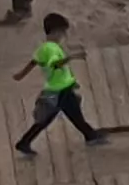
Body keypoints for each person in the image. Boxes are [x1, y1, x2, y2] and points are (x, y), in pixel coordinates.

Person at [12, 12, 105, 156]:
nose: (63, 36)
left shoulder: (42, 48)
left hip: (56, 89)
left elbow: (33, 63)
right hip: (60, 90)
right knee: (70, 116)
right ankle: (90, 135)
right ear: (56, 31)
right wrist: (73, 57)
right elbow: (54, 64)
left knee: (51, 118)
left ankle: (90, 134)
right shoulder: (52, 49)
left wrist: (20, 75)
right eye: (62, 32)